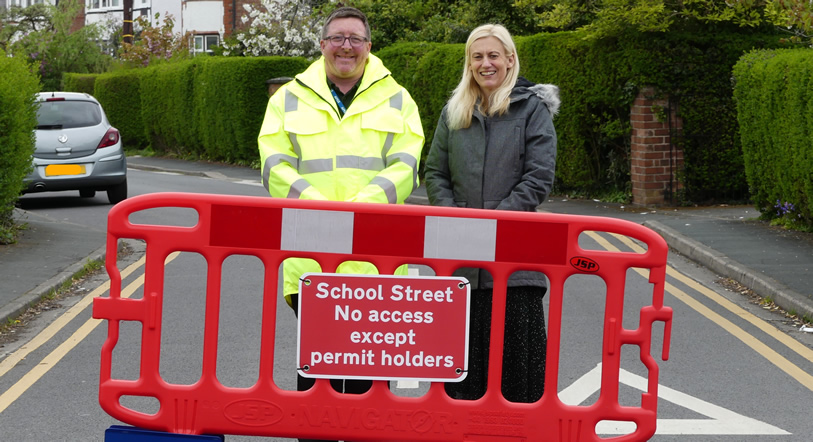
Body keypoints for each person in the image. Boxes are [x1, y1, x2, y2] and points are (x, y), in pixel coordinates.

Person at [257, 7, 424, 440]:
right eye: (337, 38)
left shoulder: (398, 99)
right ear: (322, 45)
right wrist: (321, 209)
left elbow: (406, 165)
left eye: (354, 38)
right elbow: (273, 165)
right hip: (310, 265)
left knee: (371, 390)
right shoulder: (287, 98)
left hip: (378, 267)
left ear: (369, 47)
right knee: (317, 380)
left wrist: (358, 212)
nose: (345, 46)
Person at [424, 24, 559, 403]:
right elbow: (435, 172)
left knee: (518, 380)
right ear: (469, 63)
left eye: (494, 55)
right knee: (463, 380)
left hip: (516, 268)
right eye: (478, 56)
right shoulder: (453, 112)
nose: (486, 64)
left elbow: (539, 177)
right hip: (462, 266)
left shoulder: (533, 110)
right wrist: (452, 216)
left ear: (510, 59)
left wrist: (495, 224)